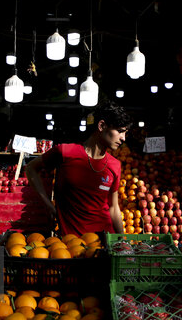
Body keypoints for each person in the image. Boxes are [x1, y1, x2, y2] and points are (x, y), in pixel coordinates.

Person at [25, 100, 132, 236]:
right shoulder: (65, 152)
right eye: (120, 131)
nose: (123, 138)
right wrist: (48, 204)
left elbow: (113, 207)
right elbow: (31, 168)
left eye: (125, 133)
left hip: (104, 241)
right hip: (71, 243)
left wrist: (122, 239)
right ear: (102, 126)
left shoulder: (115, 165)